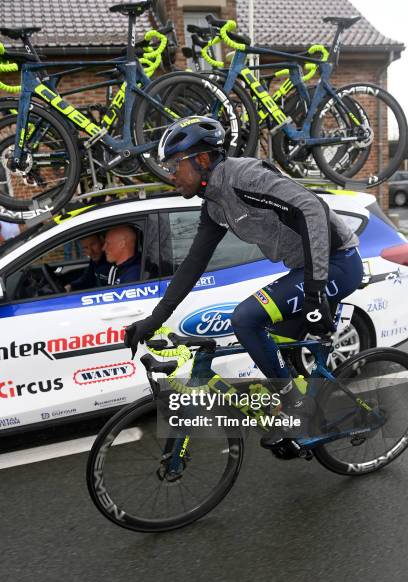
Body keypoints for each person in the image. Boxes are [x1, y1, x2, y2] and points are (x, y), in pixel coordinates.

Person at [123, 116, 364, 449]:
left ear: (202, 160)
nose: (170, 175)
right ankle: (312, 420)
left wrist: (314, 290)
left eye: (174, 165)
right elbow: (194, 264)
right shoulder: (214, 204)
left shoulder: (243, 178)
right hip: (306, 269)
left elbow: (311, 208)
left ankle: (297, 410)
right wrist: (154, 319)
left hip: (338, 263)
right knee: (275, 356)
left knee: (246, 318)